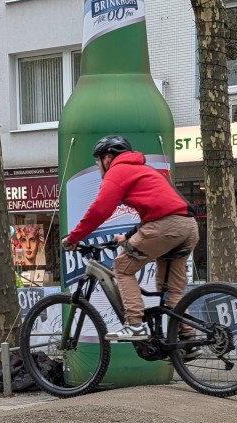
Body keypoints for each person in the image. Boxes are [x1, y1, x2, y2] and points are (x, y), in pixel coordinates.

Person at [61, 135, 199, 343]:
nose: (98, 166)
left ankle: (135, 324)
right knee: (170, 290)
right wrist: (127, 236)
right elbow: (161, 209)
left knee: (122, 267)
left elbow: (100, 209)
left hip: (166, 227)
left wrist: (74, 237)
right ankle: (188, 340)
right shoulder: (143, 170)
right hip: (187, 226)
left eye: (97, 161)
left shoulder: (118, 170)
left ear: (107, 158)